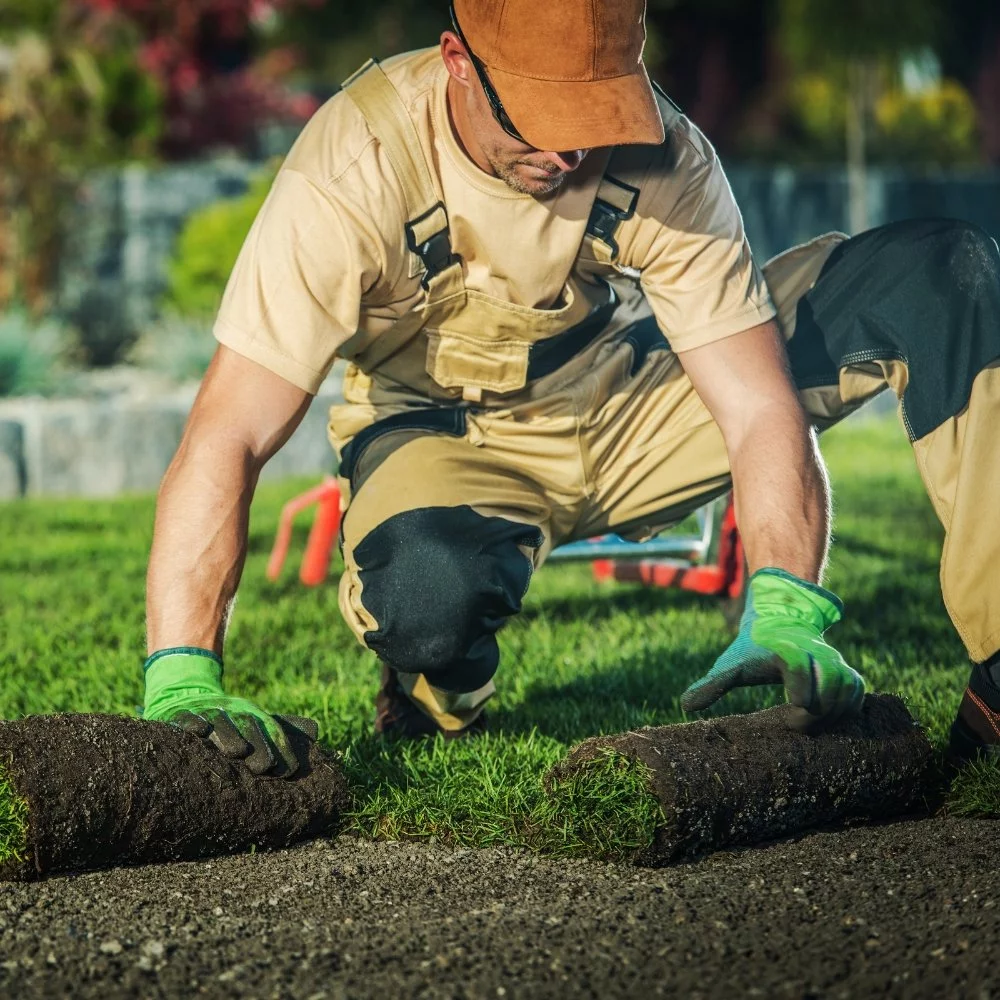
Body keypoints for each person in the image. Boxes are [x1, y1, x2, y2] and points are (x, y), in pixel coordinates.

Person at [141, 0, 1000, 777]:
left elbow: (755, 405)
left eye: (592, 117)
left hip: (628, 394)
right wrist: (182, 671)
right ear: (456, 61)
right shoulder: (353, 165)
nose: (566, 152)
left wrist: (782, 603)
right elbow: (231, 432)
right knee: (427, 598)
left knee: (941, 272)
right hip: (447, 435)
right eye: (543, 119)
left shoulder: (669, 156)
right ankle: (440, 684)